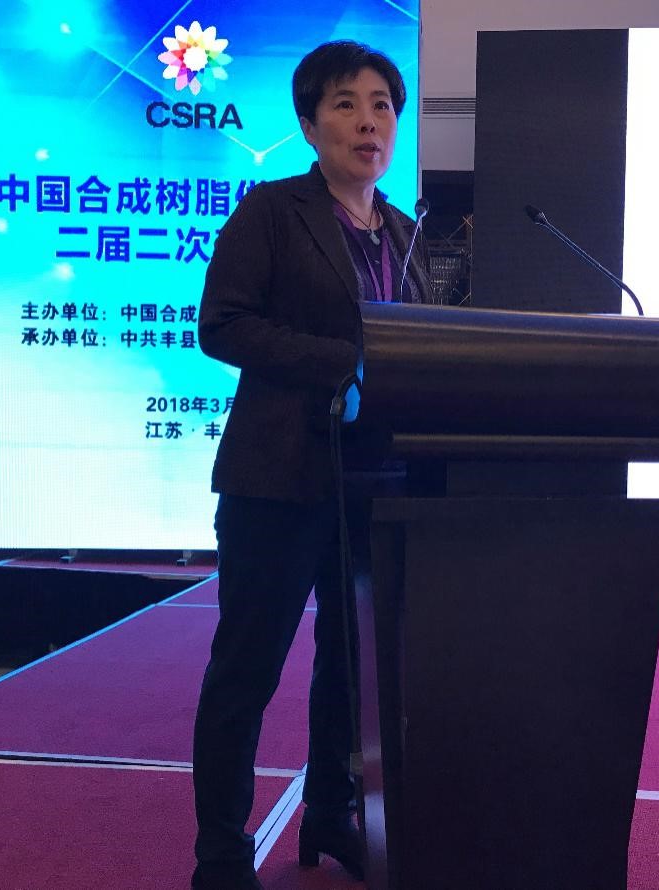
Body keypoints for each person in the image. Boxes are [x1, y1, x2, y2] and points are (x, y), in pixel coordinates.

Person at [191, 39, 431, 890]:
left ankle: (332, 811)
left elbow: (420, 347)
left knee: (351, 668)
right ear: (308, 124)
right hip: (277, 478)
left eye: (382, 105)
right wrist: (344, 363)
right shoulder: (273, 211)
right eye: (345, 104)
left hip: (374, 482)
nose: (368, 122)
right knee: (247, 669)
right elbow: (222, 324)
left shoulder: (403, 232)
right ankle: (222, 854)